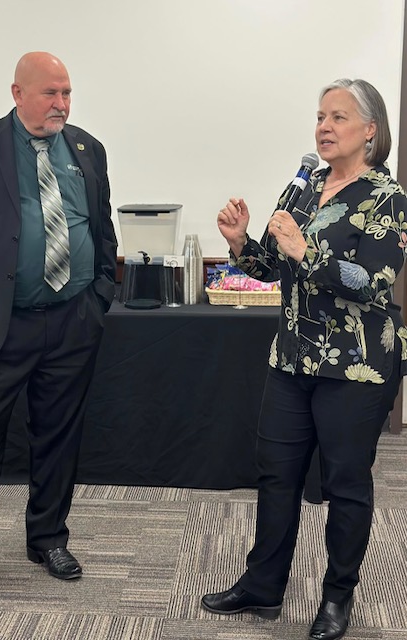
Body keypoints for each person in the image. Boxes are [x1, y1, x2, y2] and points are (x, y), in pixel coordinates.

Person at [201, 79, 407, 640]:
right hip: (293, 360)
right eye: (320, 116)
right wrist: (243, 243)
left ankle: (337, 599)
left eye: (338, 117)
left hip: (356, 367)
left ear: (370, 131)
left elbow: (372, 282)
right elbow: (272, 267)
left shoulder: (388, 199)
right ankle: (262, 587)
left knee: (345, 484)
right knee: (276, 476)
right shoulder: (304, 185)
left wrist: (304, 250)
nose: (324, 127)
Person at [0, 51, 117, 606]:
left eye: (67, 92)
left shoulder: (86, 147)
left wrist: (100, 294)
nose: (61, 104)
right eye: (49, 94)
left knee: (58, 437)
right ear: (17, 93)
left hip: (71, 321)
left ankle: (48, 539)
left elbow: (100, 224)